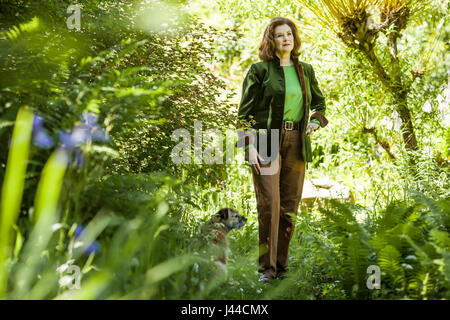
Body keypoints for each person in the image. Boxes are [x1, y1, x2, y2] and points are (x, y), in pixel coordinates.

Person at [237, 17, 329, 283]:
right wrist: (249, 146)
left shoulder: (306, 70)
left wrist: (314, 122)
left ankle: (281, 268)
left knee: (289, 207)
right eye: (280, 35)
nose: (286, 39)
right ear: (271, 40)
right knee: (270, 205)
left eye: (289, 34)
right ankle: (266, 270)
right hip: (266, 141)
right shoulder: (259, 71)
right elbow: (244, 114)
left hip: (297, 142)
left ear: (294, 38)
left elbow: (320, 103)